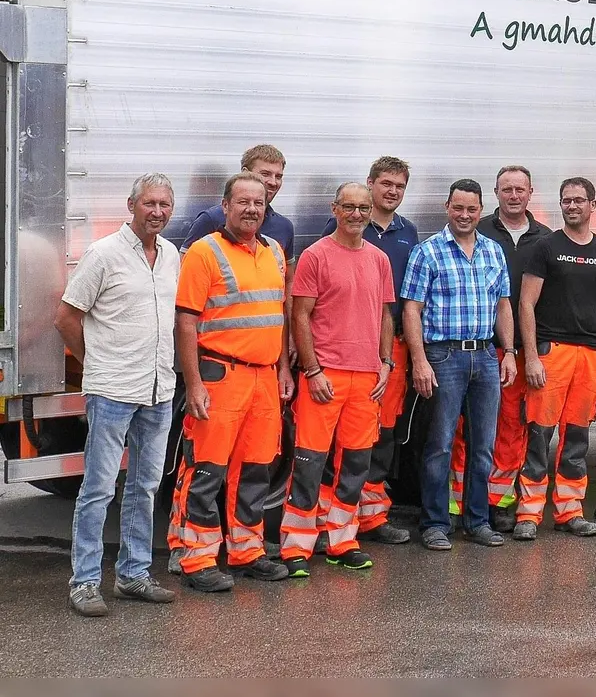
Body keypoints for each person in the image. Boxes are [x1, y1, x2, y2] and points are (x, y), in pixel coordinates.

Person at [59, 174, 181, 616]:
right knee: (98, 488)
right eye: (150, 203)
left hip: (158, 389)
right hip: (112, 389)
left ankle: (132, 575)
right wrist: (96, 362)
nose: (158, 212)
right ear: (132, 205)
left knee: (145, 486)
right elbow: (66, 317)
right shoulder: (104, 254)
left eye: (165, 204)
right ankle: (85, 582)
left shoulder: (171, 256)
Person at [168, 172, 296, 591]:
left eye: (258, 203)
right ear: (225, 206)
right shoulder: (205, 253)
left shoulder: (275, 251)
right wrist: (195, 383)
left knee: (256, 470)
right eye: (242, 202)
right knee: (206, 470)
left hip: (263, 379)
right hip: (219, 376)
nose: (251, 209)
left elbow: (278, 317)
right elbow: (185, 323)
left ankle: (246, 551)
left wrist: (282, 369)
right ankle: (197, 558)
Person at [281, 183, 396, 577]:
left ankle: (341, 541)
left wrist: (386, 364)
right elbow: (300, 316)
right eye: (349, 206)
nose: (357, 214)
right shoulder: (316, 256)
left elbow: (385, 315)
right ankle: (296, 546)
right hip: (325, 376)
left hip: (366, 379)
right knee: (310, 463)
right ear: (335, 209)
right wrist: (311, 371)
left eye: (363, 208)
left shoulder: (379, 259)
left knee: (354, 465)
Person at [401, 178, 517, 551]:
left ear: (480, 210)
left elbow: (503, 306)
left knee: (484, 445)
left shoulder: (493, 251)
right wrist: (419, 360)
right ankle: (435, 522)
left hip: (485, 356)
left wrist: (510, 352)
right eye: (458, 208)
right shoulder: (428, 252)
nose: (464, 215)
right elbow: (412, 310)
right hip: (443, 356)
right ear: (447, 207)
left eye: (471, 209)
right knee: (440, 444)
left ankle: (477, 521)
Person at [511, 177, 596, 540]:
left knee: (577, 438)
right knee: (539, 436)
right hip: (551, 353)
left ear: (593, 204)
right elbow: (525, 303)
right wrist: (531, 357)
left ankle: (569, 512)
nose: (572, 206)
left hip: (590, 356)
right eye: (566, 200)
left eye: (579, 200)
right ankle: (528, 515)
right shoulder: (546, 247)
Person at [448, 165, 553, 530]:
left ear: (530, 192)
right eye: (506, 189)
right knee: (467, 428)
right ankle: (458, 503)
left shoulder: (546, 238)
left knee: (511, 427)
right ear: (495, 193)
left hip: (522, 350)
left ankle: (499, 501)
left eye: (519, 189)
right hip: (481, 346)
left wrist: (537, 350)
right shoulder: (481, 231)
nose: (513, 195)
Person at [323, 157, 420, 546]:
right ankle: (333, 519)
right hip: (346, 350)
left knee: (383, 434)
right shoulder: (342, 226)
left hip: (389, 348)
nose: (392, 191)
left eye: (399, 185)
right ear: (370, 184)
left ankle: (373, 516)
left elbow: (406, 299)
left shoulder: (408, 233)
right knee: (341, 437)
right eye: (385, 183)